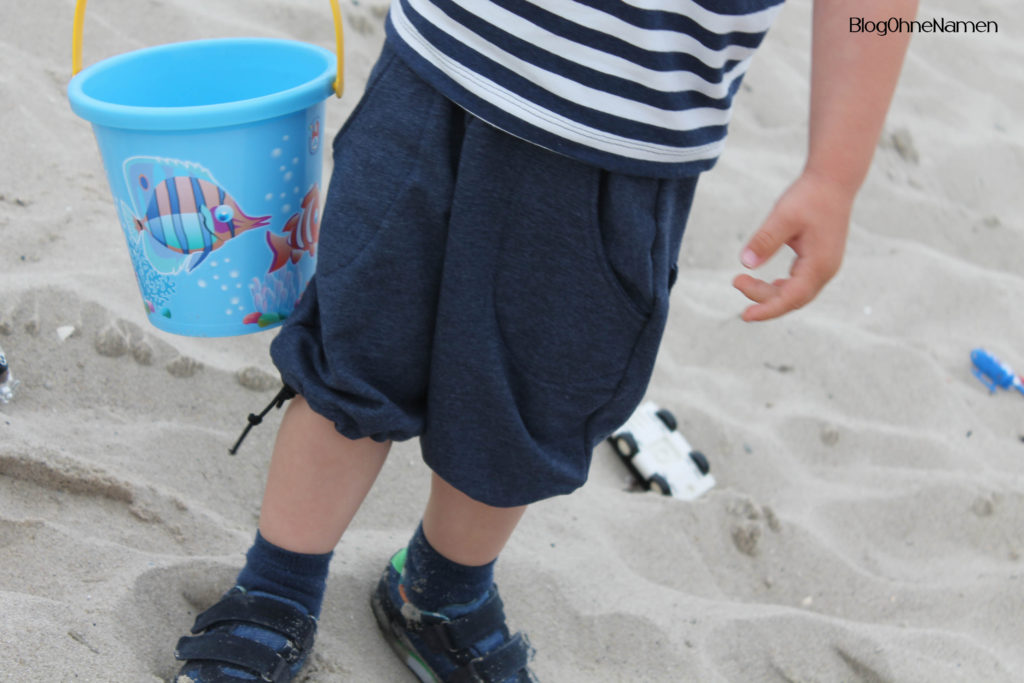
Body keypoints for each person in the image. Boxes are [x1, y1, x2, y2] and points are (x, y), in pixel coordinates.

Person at [172, 0, 917, 680]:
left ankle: (442, 593)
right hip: (441, 64)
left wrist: (834, 174)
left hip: (626, 141)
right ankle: (277, 586)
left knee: (531, 399)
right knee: (357, 348)